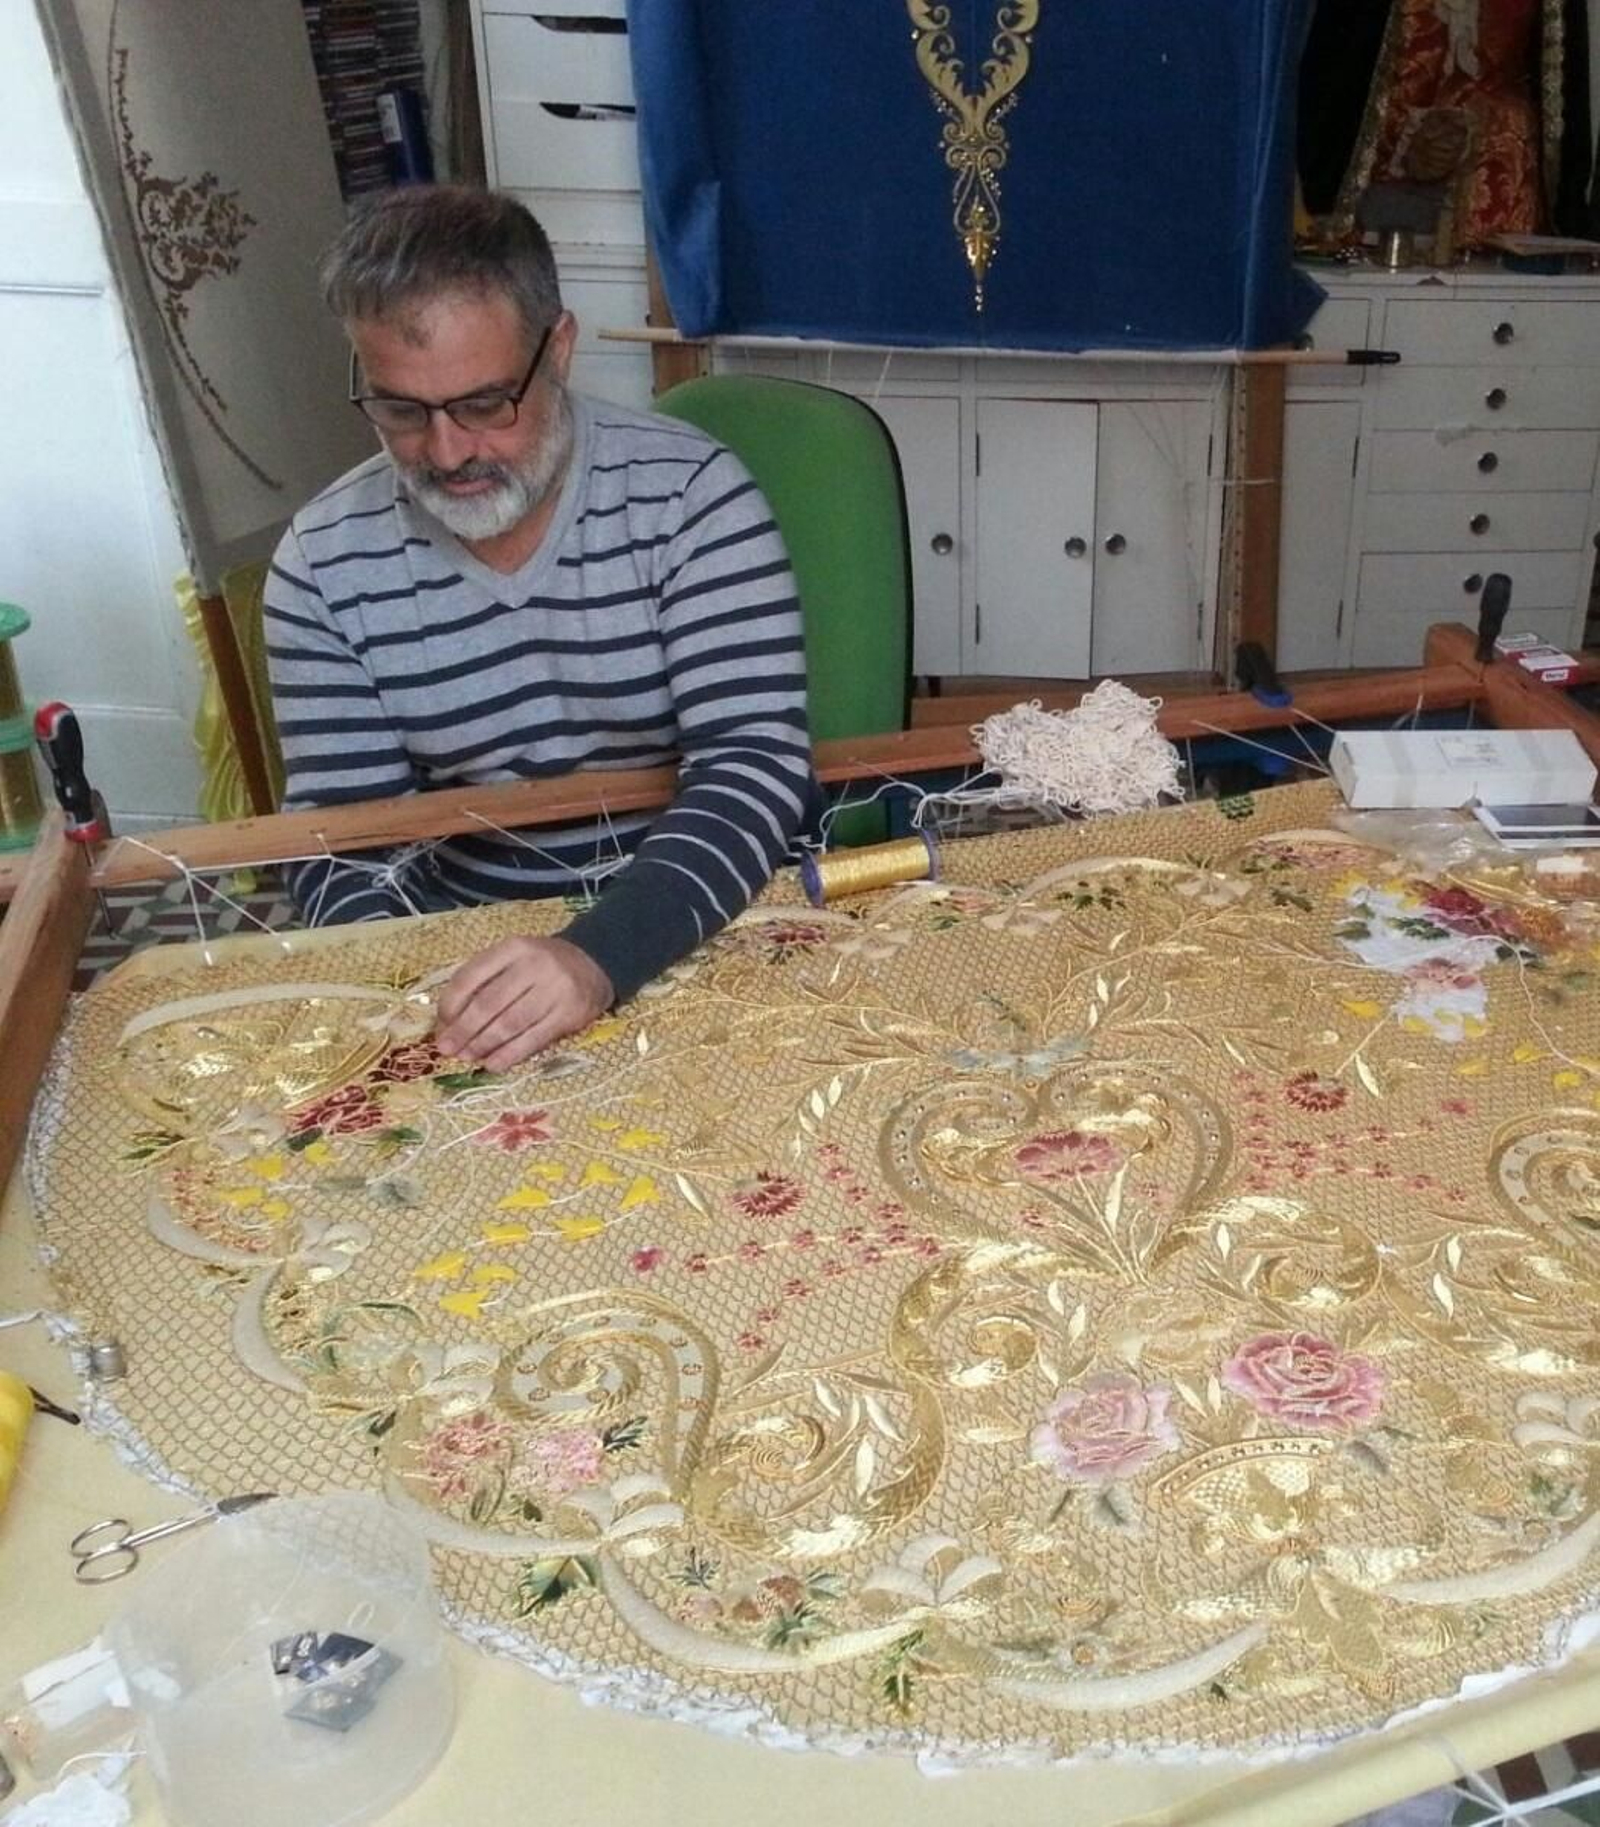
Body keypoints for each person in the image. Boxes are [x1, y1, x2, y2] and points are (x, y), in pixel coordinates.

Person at [265, 186, 813, 1069]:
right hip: (468, 949)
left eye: (486, 404)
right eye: (402, 411)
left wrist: (597, 957)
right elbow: (343, 840)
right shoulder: (321, 562)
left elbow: (753, 767)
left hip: (702, 917)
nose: (448, 452)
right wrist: (433, 996)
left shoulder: (692, 498)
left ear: (557, 350)